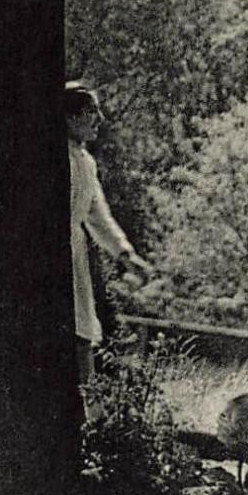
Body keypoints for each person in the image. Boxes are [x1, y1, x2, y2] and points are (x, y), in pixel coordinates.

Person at [65, 82, 152, 384]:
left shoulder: (86, 163)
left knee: (82, 333)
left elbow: (98, 215)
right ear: (69, 117)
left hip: (74, 256)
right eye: (91, 111)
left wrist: (126, 255)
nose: (99, 118)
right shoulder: (53, 157)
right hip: (44, 257)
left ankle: (87, 413)